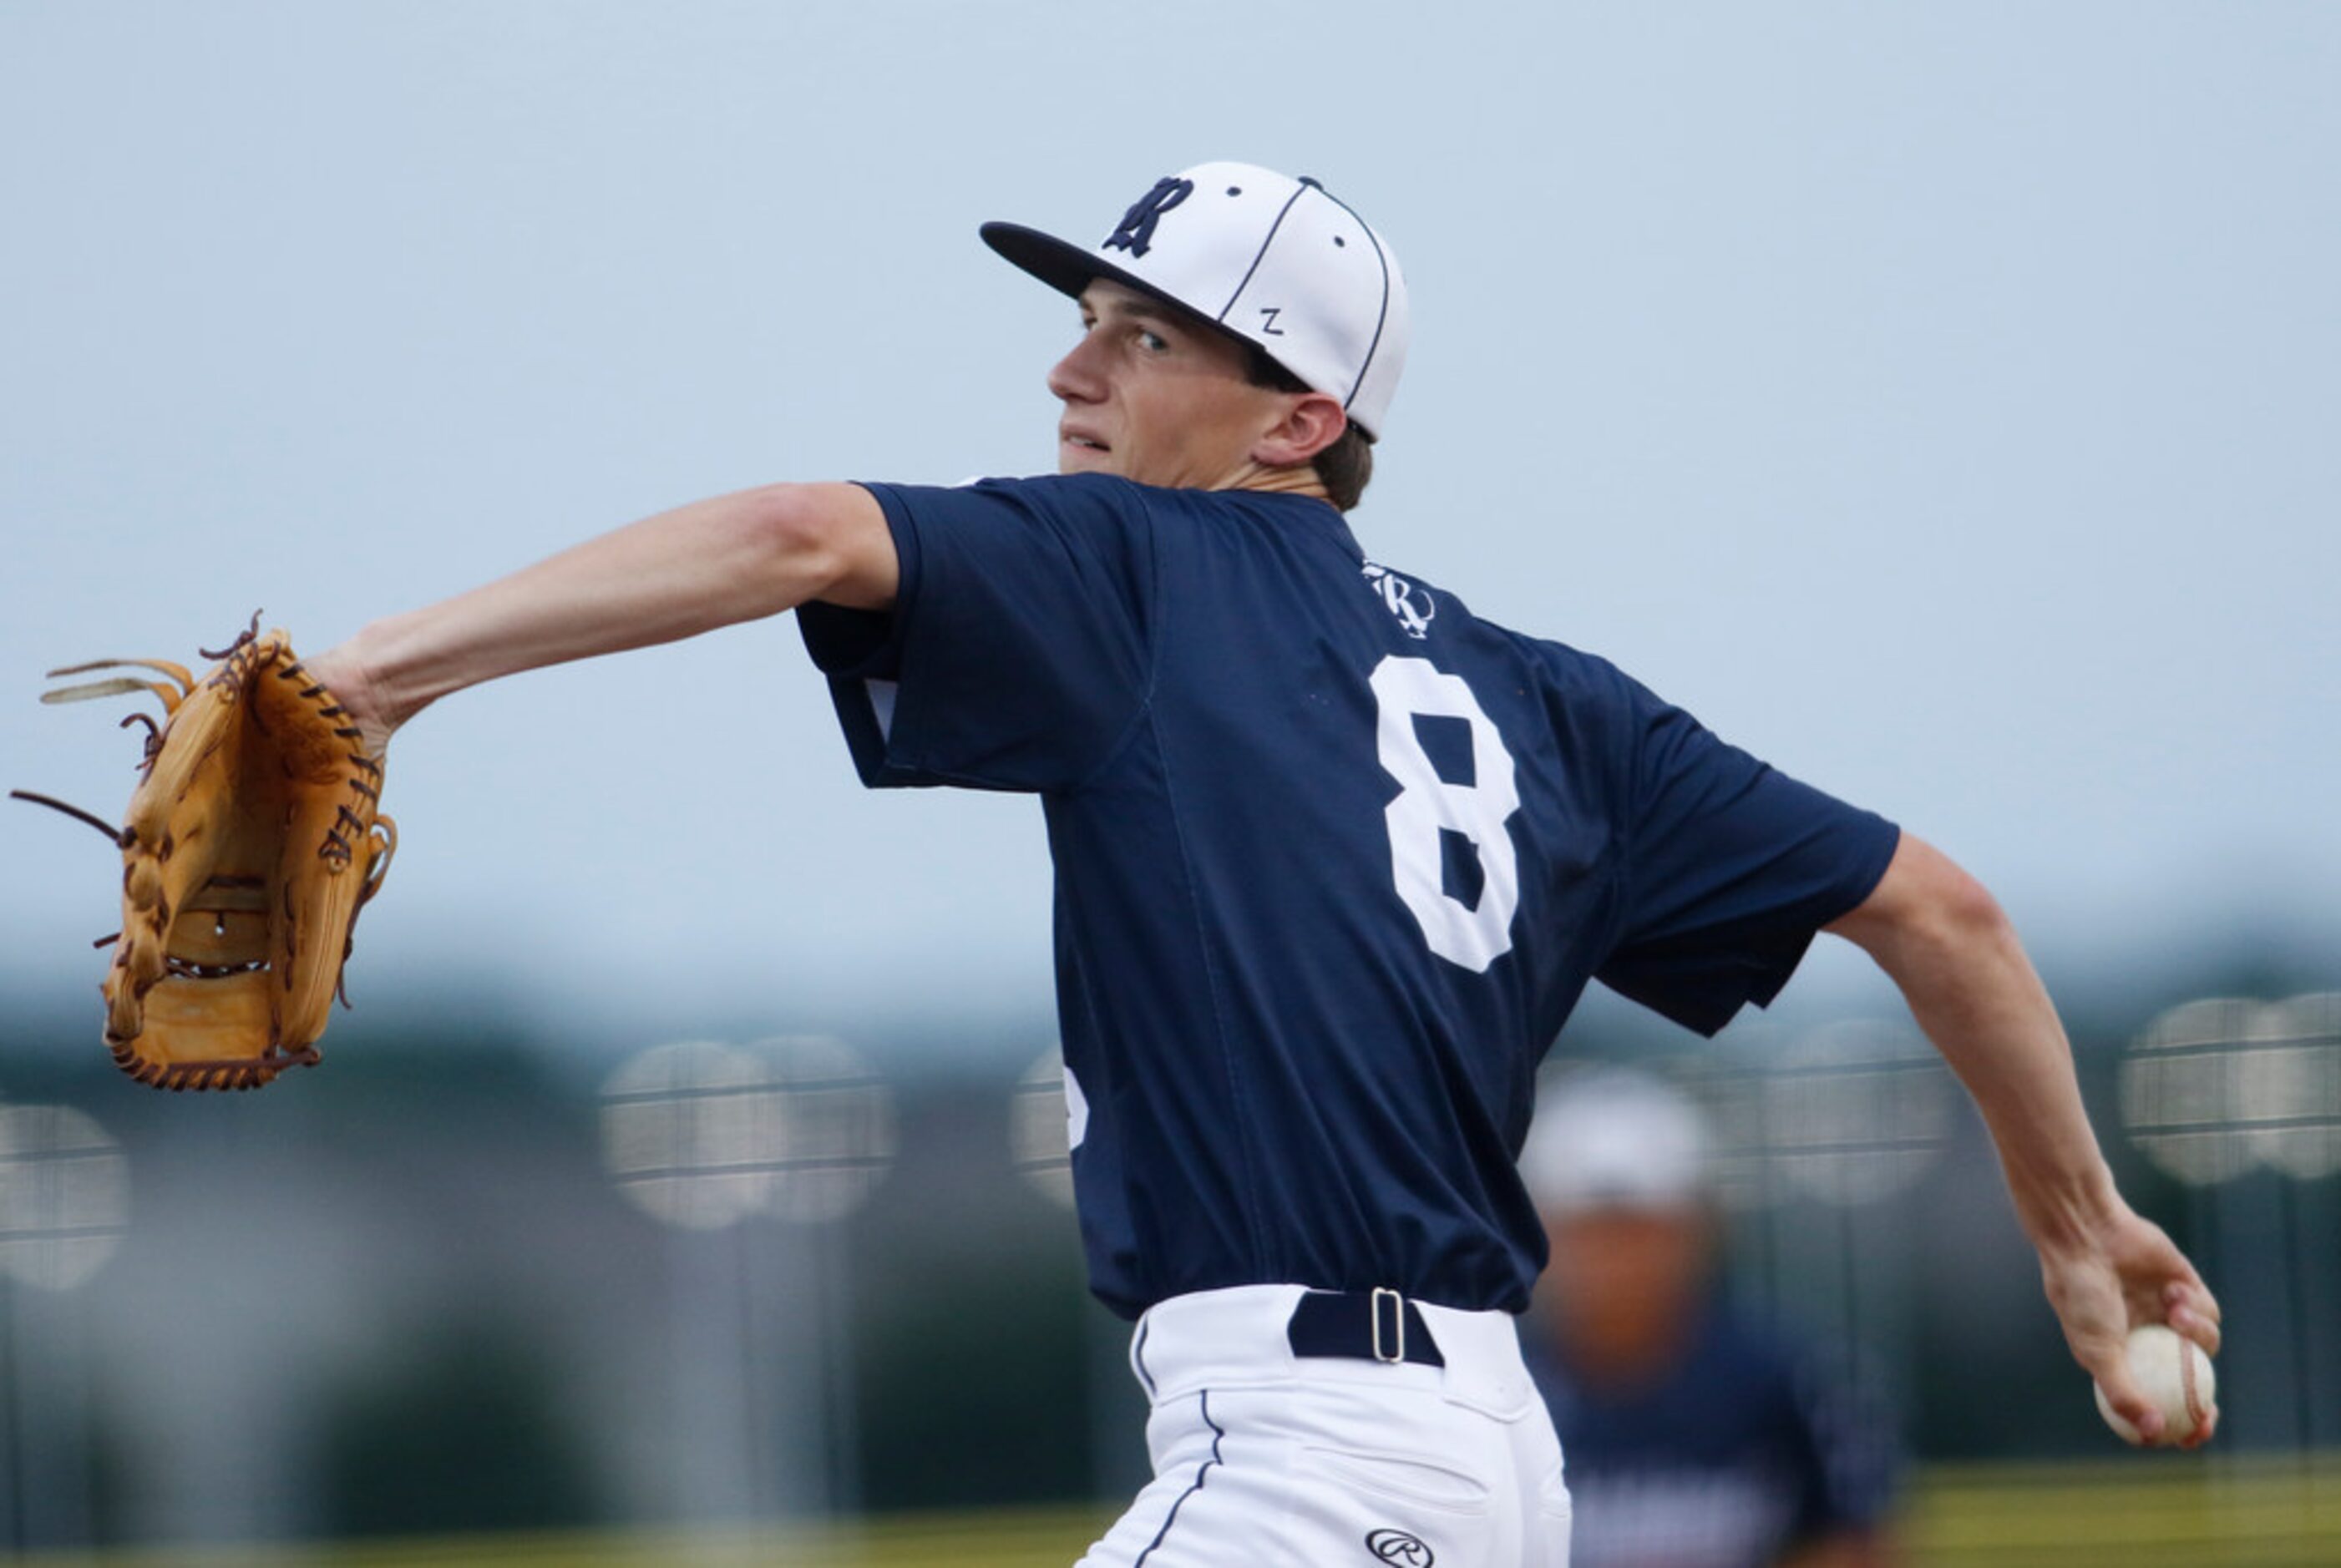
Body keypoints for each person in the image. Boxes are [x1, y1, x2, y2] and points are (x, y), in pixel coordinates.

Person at [301, 162, 2219, 1565]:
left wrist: (377, 672)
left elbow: (804, 528)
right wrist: (2071, 1222)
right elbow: (1939, 907)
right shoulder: (1554, 701)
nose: (1072, 371)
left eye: (1142, 338)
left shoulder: (1142, 571)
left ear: (1300, 420)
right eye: (1081, 322)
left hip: (1316, 1454)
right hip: (1489, 1456)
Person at [1521, 1068, 1899, 1568]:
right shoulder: (1501, 1388)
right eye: (1588, 1234)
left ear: (1700, 1230)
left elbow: (1853, 1543)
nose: (1613, 1262)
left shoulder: (1790, 1379)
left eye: (1639, 1232)